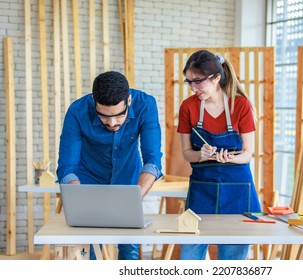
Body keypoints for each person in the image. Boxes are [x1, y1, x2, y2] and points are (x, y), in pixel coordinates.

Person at [56, 71, 163, 260]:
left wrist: (133, 197)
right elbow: (67, 167)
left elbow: (152, 161)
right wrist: (78, 199)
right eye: (103, 117)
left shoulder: (146, 105)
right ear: (94, 102)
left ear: (129, 100)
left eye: (119, 115)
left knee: (129, 245)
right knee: (90, 245)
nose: (112, 123)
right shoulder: (77, 111)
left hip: (129, 179)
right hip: (88, 179)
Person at [177, 50, 261, 260]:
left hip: (237, 192)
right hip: (201, 192)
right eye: (189, 82)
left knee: (231, 264)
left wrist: (231, 158)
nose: (193, 88)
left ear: (215, 78)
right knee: (189, 259)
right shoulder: (188, 107)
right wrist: (201, 155)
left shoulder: (240, 105)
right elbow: (187, 155)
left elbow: (248, 154)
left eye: (198, 81)